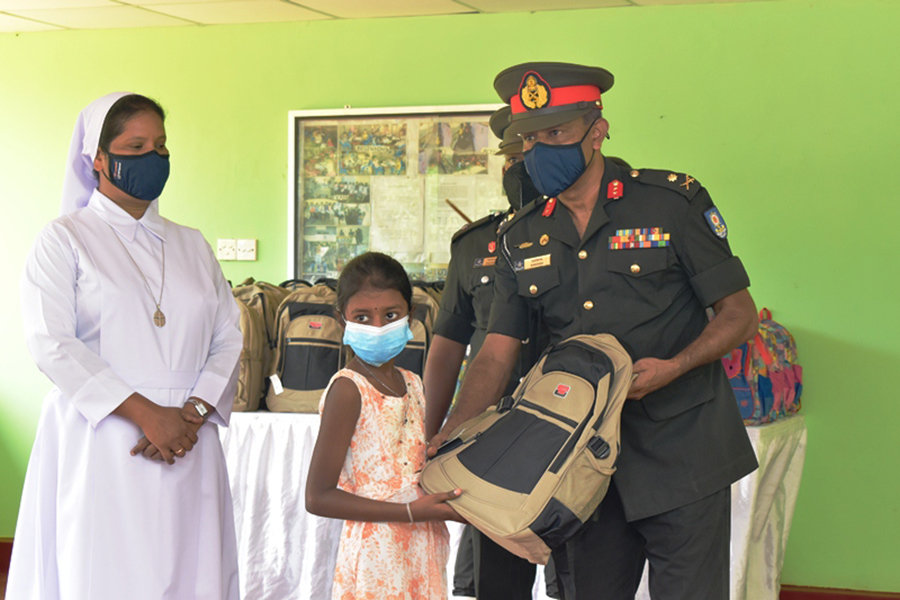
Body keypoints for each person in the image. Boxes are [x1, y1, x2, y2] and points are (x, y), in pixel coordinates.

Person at [429, 62, 760, 600]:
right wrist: (453, 434)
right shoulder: (521, 235)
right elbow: (494, 352)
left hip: (684, 452)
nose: (541, 150)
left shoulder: (670, 204)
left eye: (555, 134)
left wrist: (675, 366)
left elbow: (738, 314)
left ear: (597, 127)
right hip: (579, 465)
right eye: (530, 139)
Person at [7, 92, 243, 599]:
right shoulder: (64, 238)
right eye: (135, 146)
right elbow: (51, 341)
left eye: (160, 145)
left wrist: (192, 412)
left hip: (187, 441)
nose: (152, 157)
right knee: (102, 571)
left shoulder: (192, 244)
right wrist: (145, 413)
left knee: (192, 570)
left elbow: (229, 334)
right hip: (104, 437)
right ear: (97, 159)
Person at [425, 106, 553, 600]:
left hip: (570, 427)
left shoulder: (590, 242)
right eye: (511, 158)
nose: (518, 169)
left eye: (530, 155)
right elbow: (447, 347)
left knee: (576, 572)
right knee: (495, 579)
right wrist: (433, 433)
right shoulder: (475, 244)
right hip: (494, 431)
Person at [305, 251, 464, 600]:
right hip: (378, 556)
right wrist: (408, 512)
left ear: (411, 315)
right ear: (342, 321)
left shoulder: (414, 383)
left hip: (422, 546)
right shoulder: (348, 389)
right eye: (362, 316)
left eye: (390, 315)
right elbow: (317, 497)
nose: (378, 327)